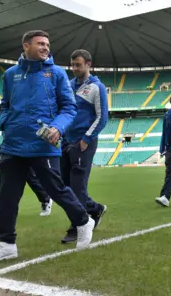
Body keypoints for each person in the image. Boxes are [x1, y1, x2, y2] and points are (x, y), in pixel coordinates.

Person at [0, 30, 95, 265]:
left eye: (47, 44)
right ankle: (6, 244)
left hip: (43, 144)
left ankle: (84, 221)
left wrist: (58, 128)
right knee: (8, 196)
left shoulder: (56, 74)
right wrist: (5, 124)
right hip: (12, 145)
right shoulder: (10, 75)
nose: (45, 47)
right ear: (26, 46)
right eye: (40, 43)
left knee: (56, 189)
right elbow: (5, 104)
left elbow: (69, 108)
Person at [59, 49, 109, 244]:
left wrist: (86, 138)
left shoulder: (97, 87)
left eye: (78, 65)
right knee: (64, 186)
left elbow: (102, 117)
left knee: (78, 185)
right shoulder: (69, 86)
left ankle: (77, 226)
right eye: (72, 65)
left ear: (89, 64)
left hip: (83, 142)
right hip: (66, 141)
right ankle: (95, 209)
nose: (74, 68)